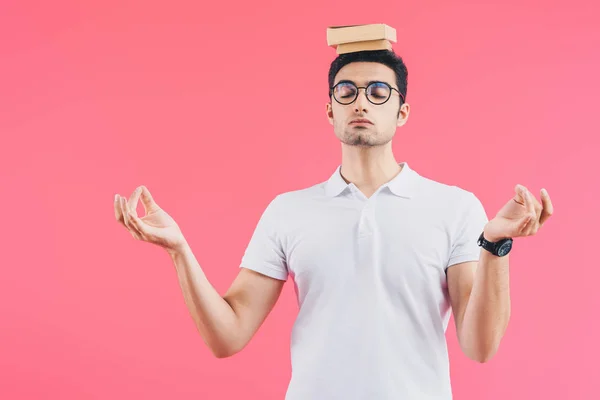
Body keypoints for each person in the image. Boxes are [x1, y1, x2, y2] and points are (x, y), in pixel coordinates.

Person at [114, 49, 553, 399]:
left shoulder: (454, 207)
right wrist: (179, 250)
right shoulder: (289, 211)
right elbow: (227, 337)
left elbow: (479, 347)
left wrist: (494, 243)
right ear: (330, 110)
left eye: (379, 91)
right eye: (347, 90)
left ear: (402, 112)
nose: (361, 101)